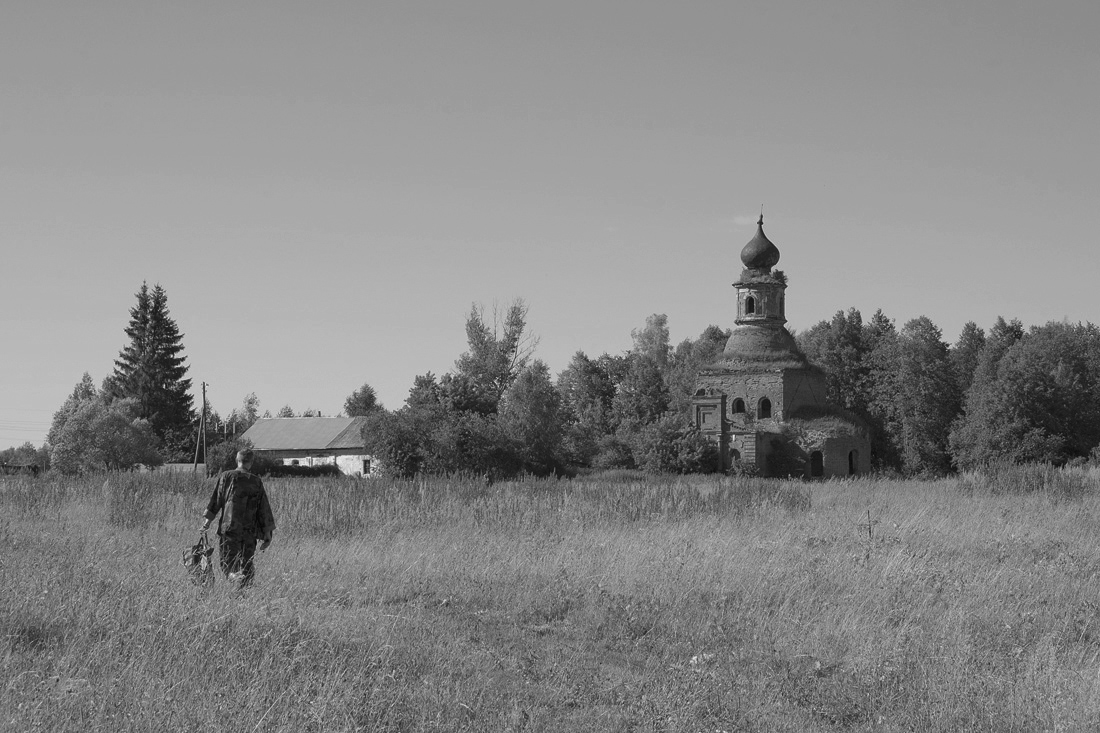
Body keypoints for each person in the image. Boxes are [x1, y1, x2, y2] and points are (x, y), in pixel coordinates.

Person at [200, 448, 275, 587]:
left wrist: (207, 522)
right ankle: (243, 593)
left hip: (229, 529)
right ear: (251, 463)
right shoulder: (256, 481)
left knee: (227, 563)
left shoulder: (226, 476)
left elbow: (216, 500)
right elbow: (264, 508)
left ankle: (234, 579)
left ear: (237, 460)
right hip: (249, 532)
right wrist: (267, 533)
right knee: (247, 564)